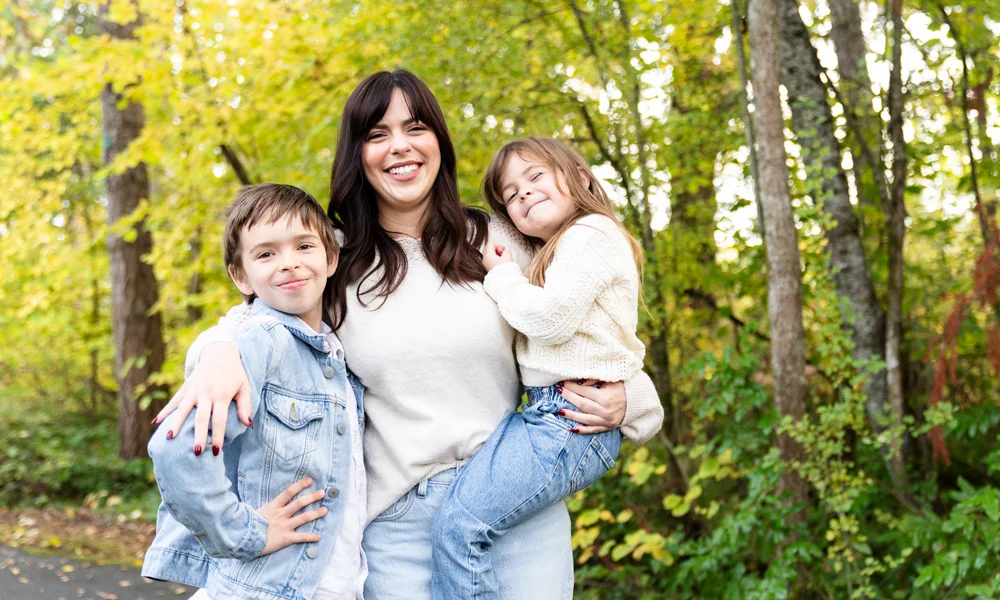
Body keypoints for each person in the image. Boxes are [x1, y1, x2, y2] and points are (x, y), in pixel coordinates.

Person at [155, 69, 663, 600]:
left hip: (513, 516)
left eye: (415, 127)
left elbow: (593, 332)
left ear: (438, 141)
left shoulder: (501, 239)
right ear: (358, 153)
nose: (399, 146)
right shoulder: (331, 255)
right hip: (396, 526)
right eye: (377, 134)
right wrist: (216, 352)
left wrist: (631, 399)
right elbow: (257, 320)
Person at [430, 137, 653, 600]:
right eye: (511, 194)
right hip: (547, 415)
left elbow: (551, 321)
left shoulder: (590, 234)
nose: (523, 193)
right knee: (461, 521)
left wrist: (502, 277)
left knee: (459, 527)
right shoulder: (562, 247)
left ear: (582, 178)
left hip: (568, 422)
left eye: (535, 177)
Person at [143, 184, 368, 600]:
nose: (289, 264)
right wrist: (246, 534)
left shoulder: (335, 352)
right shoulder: (257, 342)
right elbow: (176, 452)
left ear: (331, 258)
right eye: (266, 254)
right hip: (265, 588)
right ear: (240, 275)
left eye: (304, 246)